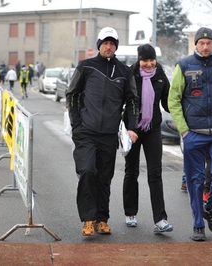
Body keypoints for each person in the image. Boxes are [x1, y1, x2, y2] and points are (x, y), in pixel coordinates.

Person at [168, 27, 212, 241]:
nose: (205, 46)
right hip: (193, 133)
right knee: (195, 180)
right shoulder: (184, 65)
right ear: (196, 44)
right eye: (201, 43)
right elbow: (174, 99)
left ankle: (211, 208)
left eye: (209, 43)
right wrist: (184, 130)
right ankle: (198, 224)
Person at [66, 27, 139, 237]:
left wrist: (132, 128)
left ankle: (102, 219)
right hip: (85, 133)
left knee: (104, 178)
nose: (108, 46)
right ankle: (88, 219)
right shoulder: (86, 66)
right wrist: (76, 124)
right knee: (88, 171)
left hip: (108, 135)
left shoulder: (125, 71)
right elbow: (72, 94)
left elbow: (133, 100)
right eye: (105, 43)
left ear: (116, 46)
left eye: (112, 43)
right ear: (99, 45)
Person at [122, 44, 173, 233]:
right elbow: (122, 101)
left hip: (153, 128)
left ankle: (160, 219)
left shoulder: (160, 75)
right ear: (139, 60)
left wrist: (186, 108)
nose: (149, 64)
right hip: (132, 129)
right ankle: (130, 213)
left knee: (155, 173)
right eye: (145, 61)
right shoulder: (130, 74)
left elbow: (168, 102)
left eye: (152, 60)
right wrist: (125, 127)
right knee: (131, 171)